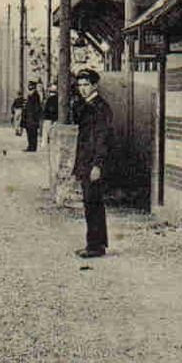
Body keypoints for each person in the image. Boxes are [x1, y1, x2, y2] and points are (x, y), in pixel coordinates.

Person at [71, 69, 113, 258]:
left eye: (86, 85)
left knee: (93, 203)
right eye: (80, 85)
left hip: (93, 163)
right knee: (90, 203)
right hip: (86, 161)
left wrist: (98, 165)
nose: (82, 89)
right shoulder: (87, 105)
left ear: (95, 85)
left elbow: (102, 138)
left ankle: (95, 246)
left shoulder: (100, 108)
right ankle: (95, 243)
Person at [21, 80, 44, 152]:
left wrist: (35, 116)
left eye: (31, 86)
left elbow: (37, 107)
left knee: (33, 133)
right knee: (29, 132)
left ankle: (33, 147)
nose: (29, 87)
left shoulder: (35, 95)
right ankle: (30, 146)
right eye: (29, 85)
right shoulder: (30, 95)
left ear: (33, 87)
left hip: (33, 118)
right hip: (29, 117)